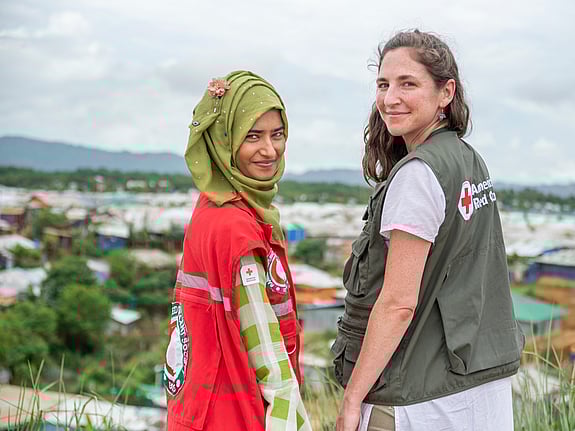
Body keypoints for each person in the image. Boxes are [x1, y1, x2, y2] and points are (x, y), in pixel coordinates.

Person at [333, 30, 525, 431]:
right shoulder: (468, 160)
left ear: (446, 92)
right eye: (383, 84)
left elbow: (398, 304)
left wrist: (352, 399)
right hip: (481, 391)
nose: (390, 98)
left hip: (419, 402)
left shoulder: (419, 175)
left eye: (408, 84)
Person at [164, 71, 312, 431]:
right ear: (224, 141)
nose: (270, 150)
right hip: (233, 411)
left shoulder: (211, 206)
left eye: (277, 135)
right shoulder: (236, 227)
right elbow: (266, 349)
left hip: (201, 405)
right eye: (252, 136)